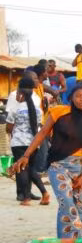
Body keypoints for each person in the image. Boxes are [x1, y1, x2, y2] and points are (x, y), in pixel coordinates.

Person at [10, 85, 82, 238]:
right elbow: (42, 133)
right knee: (66, 201)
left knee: (77, 203)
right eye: (78, 96)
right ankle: (76, 238)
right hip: (57, 165)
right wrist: (26, 156)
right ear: (71, 98)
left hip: (77, 167)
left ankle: (74, 238)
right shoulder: (58, 111)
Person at [5, 77, 49, 205]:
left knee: (22, 169)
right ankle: (44, 194)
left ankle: (26, 198)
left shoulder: (15, 108)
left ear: (20, 93)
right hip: (34, 142)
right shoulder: (38, 109)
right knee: (30, 168)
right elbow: (39, 125)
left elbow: (9, 128)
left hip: (18, 142)